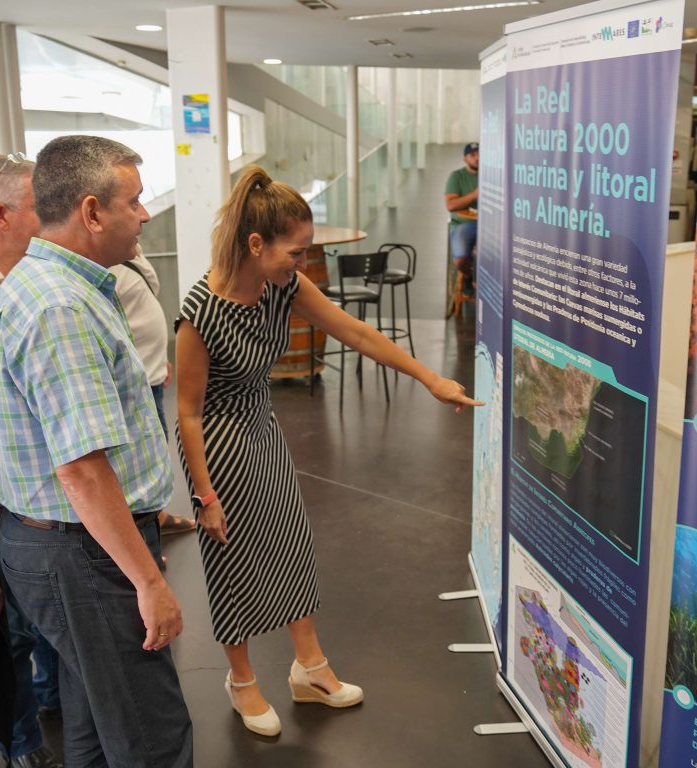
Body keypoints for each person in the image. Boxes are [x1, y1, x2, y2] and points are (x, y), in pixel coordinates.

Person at [175, 165, 481, 738]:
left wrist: (428, 378)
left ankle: (309, 668)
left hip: (260, 426)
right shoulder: (200, 311)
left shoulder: (282, 284)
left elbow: (355, 332)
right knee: (232, 556)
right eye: (297, 250)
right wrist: (204, 493)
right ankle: (240, 679)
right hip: (216, 440)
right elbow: (187, 412)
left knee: (290, 541)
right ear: (256, 243)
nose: (303, 260)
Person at [0, 135, 192, 768]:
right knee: (151, 737)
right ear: (92, 211)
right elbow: (81, 469)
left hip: (67, 545)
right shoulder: (61, 306)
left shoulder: (41, 284)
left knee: (97, 728)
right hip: (85, 552)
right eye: (135, 200)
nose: (148, 213)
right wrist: (149, 581)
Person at [0, 153, 62, 768]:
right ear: (3, 215)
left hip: (6, 498)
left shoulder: (14, 286)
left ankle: (24, 741)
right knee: (0, 643)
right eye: (43, 206)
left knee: (18, 636)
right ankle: (17, 748)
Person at [110, 248, 194, 540]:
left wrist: (159, 357)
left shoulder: (131, 250)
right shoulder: (99, 261)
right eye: (133, 204)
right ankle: (140, 538)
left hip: (152, 369)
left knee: (156, 448)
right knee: (138, 460)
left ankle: (155, 517)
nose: (143, 215)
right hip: (135, 379)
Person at [445, 142, 479, 288]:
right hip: (464, 224)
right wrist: (474, 195)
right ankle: (468, 276)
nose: (477, 158)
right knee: (460, 260)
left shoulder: (493, 175)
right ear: (465, 158)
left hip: (489, 225)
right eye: (472, 155)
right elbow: (451, 205)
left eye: (480, 155)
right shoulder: (457, 176)